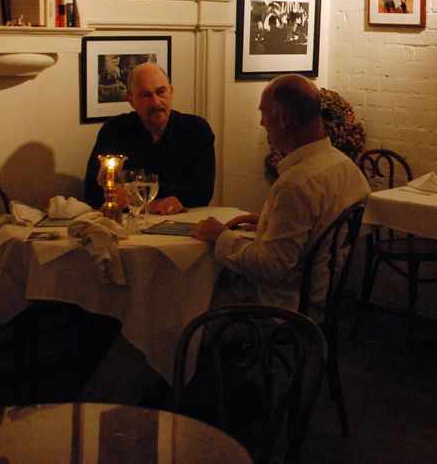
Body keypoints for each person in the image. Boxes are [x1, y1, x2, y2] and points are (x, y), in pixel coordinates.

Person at [193, 74, 370, 311]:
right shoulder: (345, 167)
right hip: (326, 298)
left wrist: (219, 236)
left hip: (284, 308)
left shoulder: (296, 184)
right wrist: (270, 222)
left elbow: (270, 269)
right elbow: (330, 232)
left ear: (283, 118)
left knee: (190, 300)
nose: (262, 123)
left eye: (264, 114)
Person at [84, 62, 215, 215]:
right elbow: (92, 192)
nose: (156, 102)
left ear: (171, 92)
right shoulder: (115, 130)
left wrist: (131, 194)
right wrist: (153, 203)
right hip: (129, 224)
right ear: (131, 100)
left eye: (161, 92)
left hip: (182, 220)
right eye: (145, 95)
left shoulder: (196, 130)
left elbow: (202, 192)